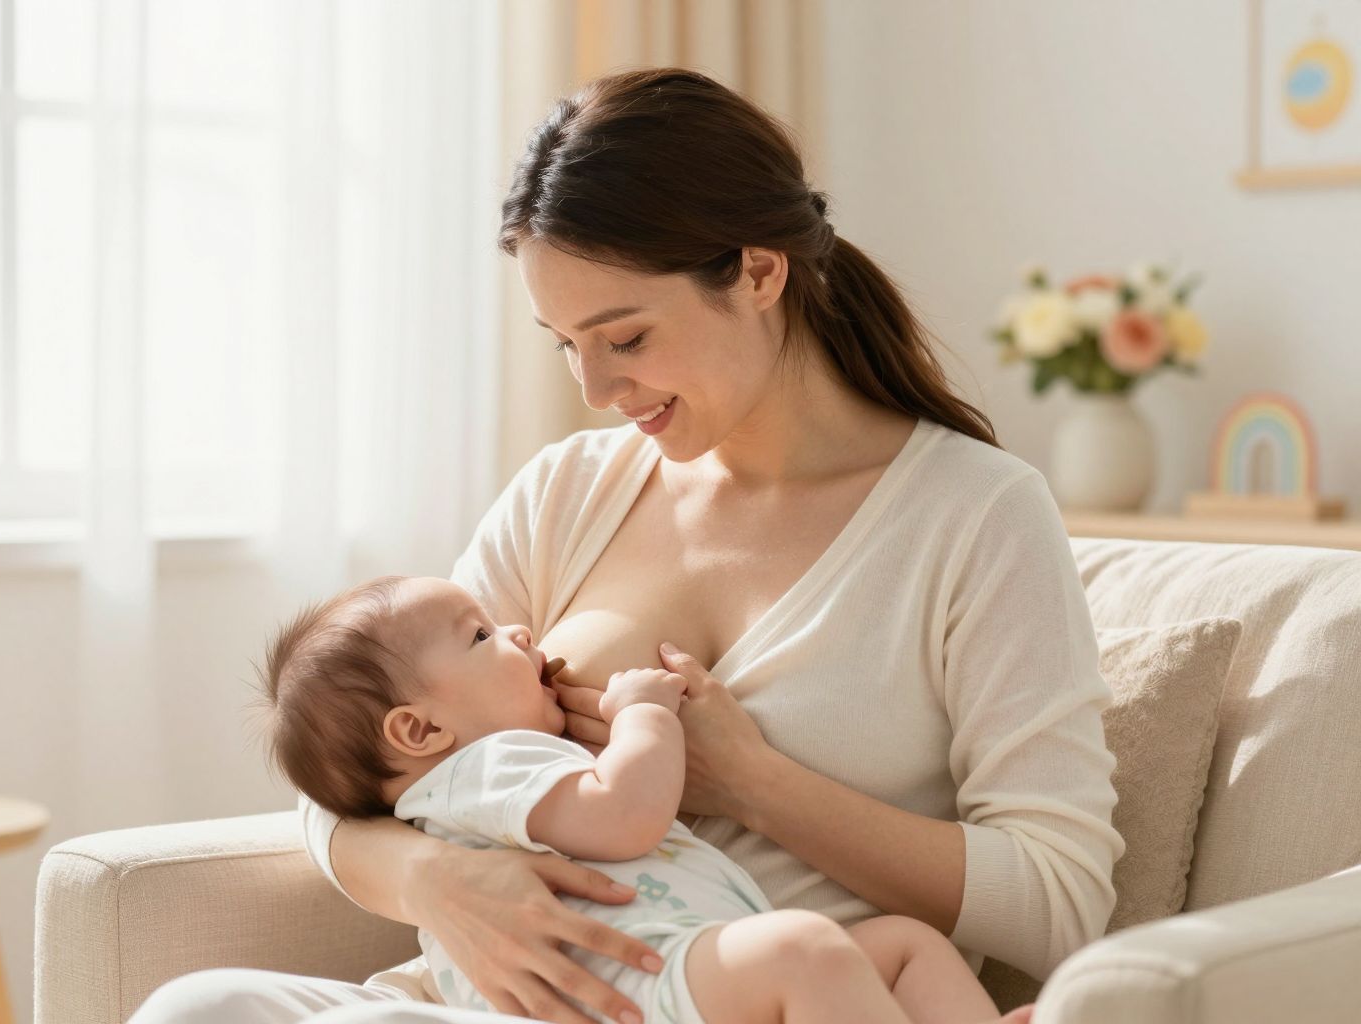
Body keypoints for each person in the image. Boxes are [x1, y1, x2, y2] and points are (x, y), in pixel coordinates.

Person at [129, 66, 1122, 1024]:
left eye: (626, 338)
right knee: (197, 1008)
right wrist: (436, 878)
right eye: (566, 344)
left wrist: (757, 787)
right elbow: (352, 759)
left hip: (737, 999)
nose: (597, 390)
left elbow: (1059, 896)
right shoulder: (567, 492)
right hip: (489, 1003)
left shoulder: (975, 516)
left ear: (759, 271)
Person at [243, 573, 1034, 1024]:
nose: (520, 633)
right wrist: (643, 715)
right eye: (482, 636)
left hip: (671, 975)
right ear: (419, 730)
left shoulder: (468, 781)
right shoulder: (485, 768)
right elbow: (624, 816)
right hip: (635, 993)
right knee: (808, 950)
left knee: (901, 943)